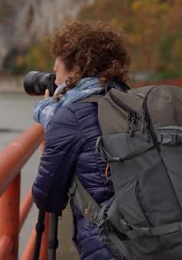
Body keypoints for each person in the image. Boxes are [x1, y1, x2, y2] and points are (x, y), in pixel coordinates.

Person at [32, 20, 131, 260]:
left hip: (109, 246)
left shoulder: (71, 116)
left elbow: (47, 198)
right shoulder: (129, 100)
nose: (54, 67)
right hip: (149, 235)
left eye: (58, 59)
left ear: (76, 67)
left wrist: (53, 112)